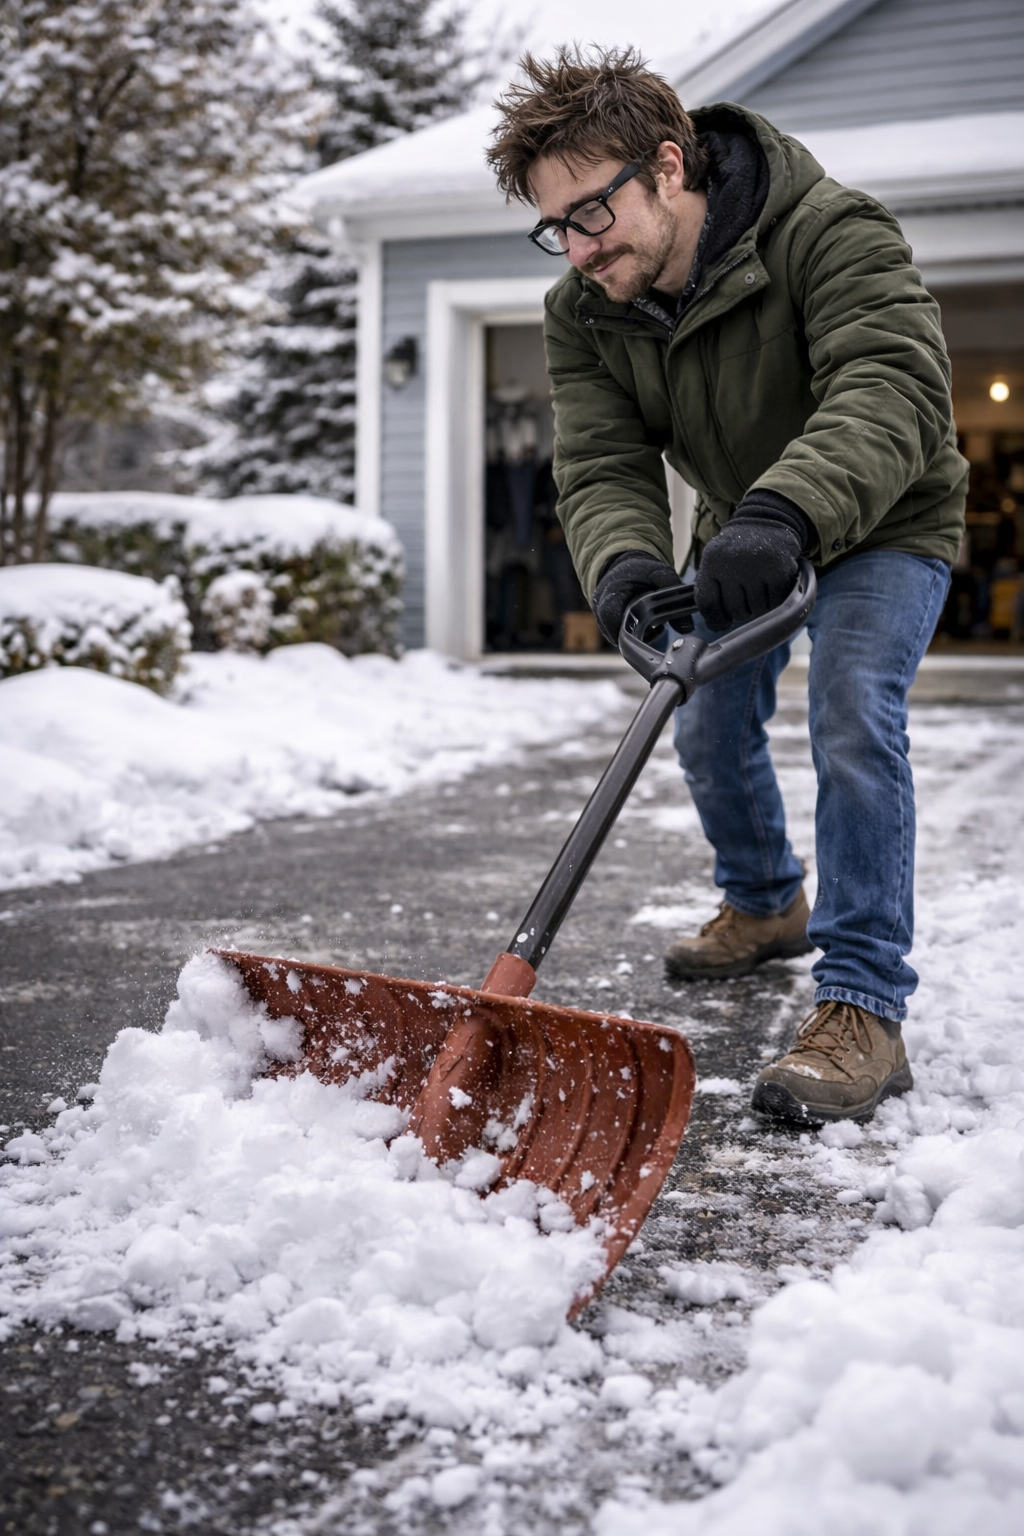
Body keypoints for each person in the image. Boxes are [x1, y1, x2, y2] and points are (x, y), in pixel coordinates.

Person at [486, 47, 967, 1126]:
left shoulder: (831, 230)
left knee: (850, 712)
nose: (578, 247)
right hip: (745, 526)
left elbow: (890, 383)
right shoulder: (584, 308)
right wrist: (624, 566)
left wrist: (787, 509)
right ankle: (764, 903)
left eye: (591, 213)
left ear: (668, 166)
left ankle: (862, 1005)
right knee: (700, 716)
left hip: (885, 516)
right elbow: (602, 460)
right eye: (556, 227)